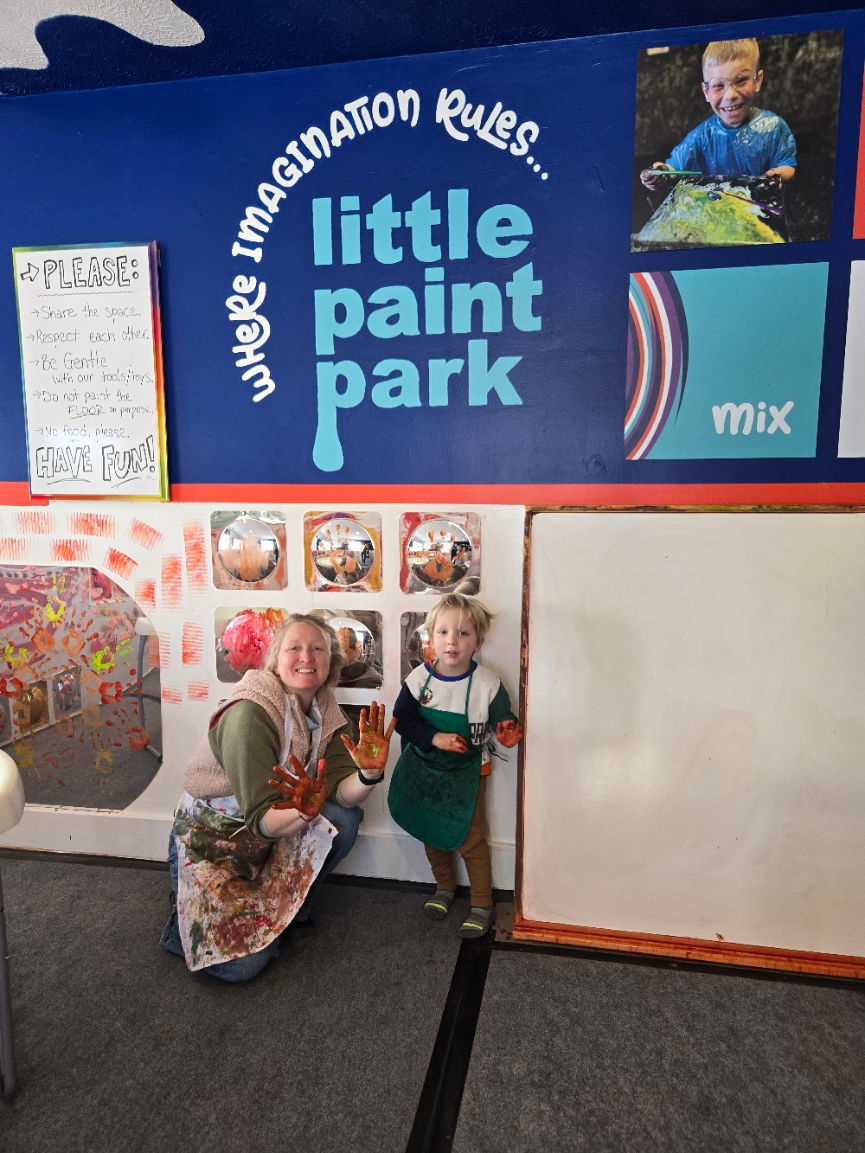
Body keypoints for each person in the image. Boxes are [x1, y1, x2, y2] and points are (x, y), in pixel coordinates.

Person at [160, 613, 393, 981]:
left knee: (344, 820)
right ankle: (179, 925)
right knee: (243, 966)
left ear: (331, 661)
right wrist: (303, 814)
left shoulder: (325, 708)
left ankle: (293, 913)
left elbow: (343, 796)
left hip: (269, 830)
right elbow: (260, 819)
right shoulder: (250, 714)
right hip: (213, 839)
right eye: (294, 648)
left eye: (317, 649)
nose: (307, 657)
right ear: (275, 659)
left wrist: (369, 774)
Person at [388, 593, 522, 939]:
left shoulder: (488, 684)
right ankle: (444, 887)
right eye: (444, 632)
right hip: (426, 770)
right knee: (431, 830)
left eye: (463, 633)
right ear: (431, 638)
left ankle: (482, 904)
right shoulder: (418, 680)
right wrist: (435, 738)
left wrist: (507, 732)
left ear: (478, 641)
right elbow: (403, 720)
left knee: (471, 838)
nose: (452, 641)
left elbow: (503, 719)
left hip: (470, 773)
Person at [641, 38, 796, 191]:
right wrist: (661, 173)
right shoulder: (702, 136)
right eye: (718, 85)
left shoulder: (774, 127)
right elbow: (674, 167)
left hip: (760, 204)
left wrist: (777, 175)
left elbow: (787, 164)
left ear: (758, 80)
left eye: (741, 80)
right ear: (706, 91)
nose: (730, 95)